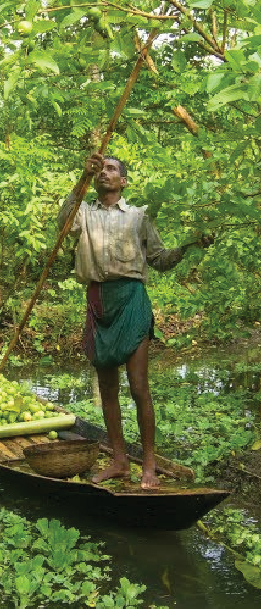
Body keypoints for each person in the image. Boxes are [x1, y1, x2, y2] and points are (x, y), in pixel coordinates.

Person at [59, 153, 212, 488]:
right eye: (101, 169)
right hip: (99, 299)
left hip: (132, 300)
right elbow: (63, 224)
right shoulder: (84, 212)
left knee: (139, 386)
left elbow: (159, 260)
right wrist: (81, 179)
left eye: (112, 169)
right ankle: (118, 461)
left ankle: (149, 465)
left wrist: (188, 246)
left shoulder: (139, 216)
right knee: (108, 387)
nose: (105, 173)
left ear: (123, 181)